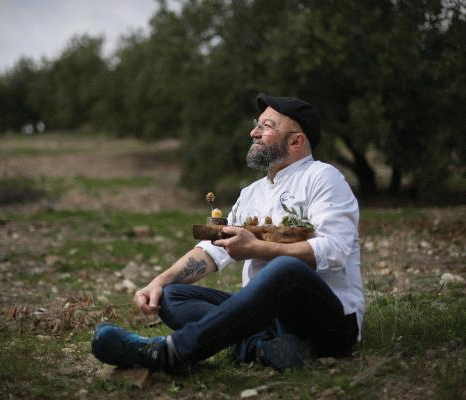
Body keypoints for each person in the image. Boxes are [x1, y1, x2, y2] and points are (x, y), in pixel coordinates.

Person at [92, 94, 364, 373]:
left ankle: (173, 351)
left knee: (286, 268)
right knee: (171, 296)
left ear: (296, 141)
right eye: (256, 124)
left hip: (327, 323)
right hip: (268, 320)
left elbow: (335, 249)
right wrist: (158, 282)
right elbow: (213, 250)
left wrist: (256, 248)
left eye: (266, 126)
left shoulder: (323, 177)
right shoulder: (252, 193)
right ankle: (265, 349)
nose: (254, 132)